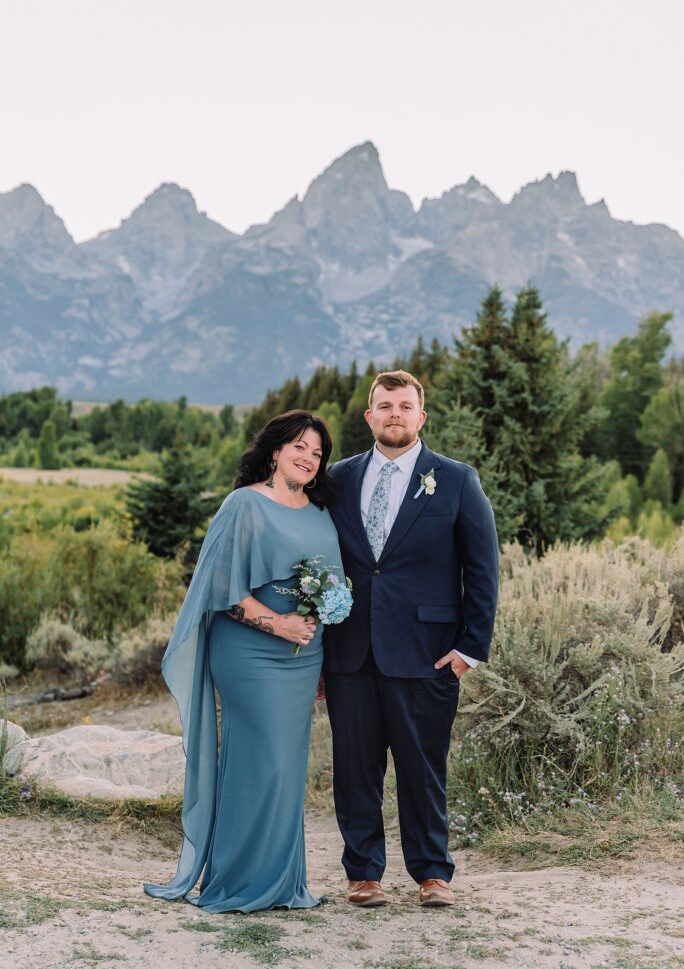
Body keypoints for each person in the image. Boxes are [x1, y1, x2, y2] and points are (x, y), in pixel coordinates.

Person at [144, 410, 344, 913]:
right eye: (299, 446)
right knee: (260, 762)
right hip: (250, 652)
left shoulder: (320, 511)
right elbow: (219, 587)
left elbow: (331, 586)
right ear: (275, 450)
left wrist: (318, 650)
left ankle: (281, 883)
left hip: (303, 657)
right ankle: (236, 882)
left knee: (287, 768)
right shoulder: (243, 505)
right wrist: (278, 625)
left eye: (317, 453)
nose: (308, 458)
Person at [324, 370, 499, 908]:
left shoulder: (455, 479)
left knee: (423, 769)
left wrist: (469, 650)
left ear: (421, 417)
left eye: (405, 405)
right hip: (350, 654)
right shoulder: (336, 479)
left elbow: (482, 568)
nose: (394, 413)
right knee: (355, 768)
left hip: (428, 656)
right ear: (369, 416)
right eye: (384, 405)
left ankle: (431, 874)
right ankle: (364, 873)